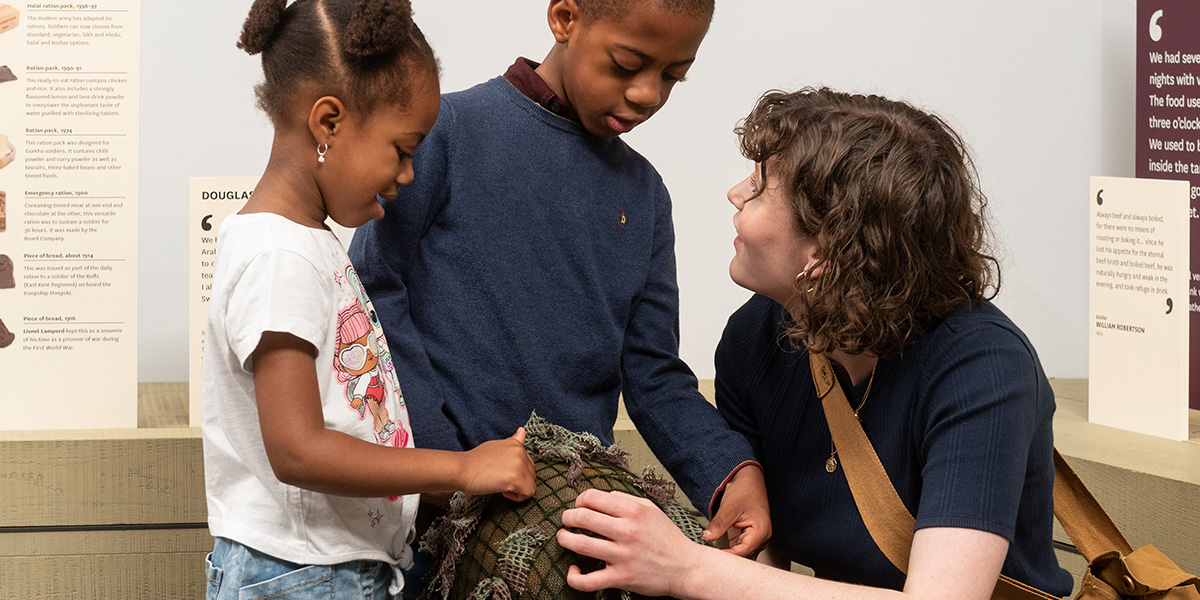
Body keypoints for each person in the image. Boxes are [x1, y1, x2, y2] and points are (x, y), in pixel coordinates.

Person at [556, 87, 1076, 599]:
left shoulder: (982, 368)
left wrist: (686, 569)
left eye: (759, 189)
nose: (735, 194)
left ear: (825, 250)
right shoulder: (755, 339)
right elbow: (759, 571)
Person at [347, 0, 771, 580]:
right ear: (565, 19)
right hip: (430, 524)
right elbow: (372, 298)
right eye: (626, 64)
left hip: (565, 537)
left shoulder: (645, 195)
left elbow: (650, 370)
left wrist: (729, 470)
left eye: (672, 76)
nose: (648, 93)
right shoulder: (442, 132)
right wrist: (446, 465)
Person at [201, 1, 536, 598]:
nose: (408, 175)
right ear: (328, 123)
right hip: (306, 575)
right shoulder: (281, 256)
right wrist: (460, 469)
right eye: (402, 149)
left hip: (333, 567)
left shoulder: (306, 243)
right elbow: (298, 451)